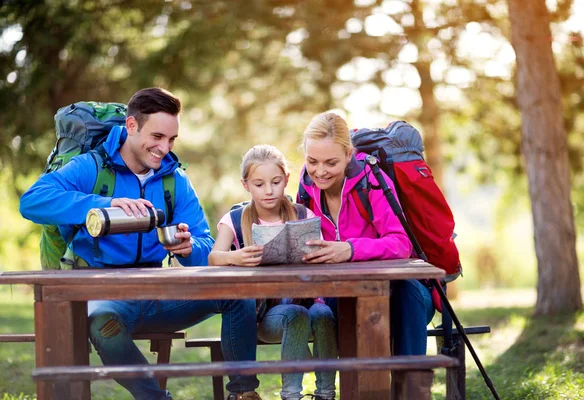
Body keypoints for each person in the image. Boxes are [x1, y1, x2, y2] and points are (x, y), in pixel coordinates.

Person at [19, 88, 261, 400]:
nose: (164, 148)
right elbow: (32, 202)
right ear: (131, 126)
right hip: (104, 296)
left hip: (159, 291)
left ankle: (243, 394)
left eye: (171, 139)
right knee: (103, 322)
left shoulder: (175, 180)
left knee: (237, 295)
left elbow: (206, 246)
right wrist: (102, 203)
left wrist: (189, 249)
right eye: (157, 136)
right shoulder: (92, 167)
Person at [298, 112, 435, 356]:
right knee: (344, 307)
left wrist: (350, 249)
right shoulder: (306, 186)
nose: (320, 172)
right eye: (312, 161)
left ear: (349, 154)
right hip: (341, 293)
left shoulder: (371, 180)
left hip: (399, 294)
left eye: (331, 163)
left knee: (407, 291)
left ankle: (411, 389)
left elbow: (401, 243)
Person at [209, 144, 338, 400]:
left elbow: (323, 256)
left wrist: (315, 256)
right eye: (259, 184)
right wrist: (235, 257)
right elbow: (213, 258)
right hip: (263, 316)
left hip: (305, 299)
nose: (269, 191)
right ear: (246, 185)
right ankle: (291, 394)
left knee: (323, 313)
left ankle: (326, 393)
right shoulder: (234, 220)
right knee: (296, 314)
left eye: (276, 182)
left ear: (286, 180)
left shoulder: (304, 214)